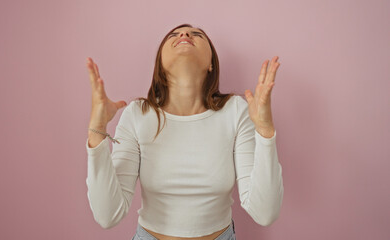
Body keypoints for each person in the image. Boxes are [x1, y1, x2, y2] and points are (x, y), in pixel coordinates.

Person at [85, 23, 284, 240]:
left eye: (197, 34)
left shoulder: (236, 110)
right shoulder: (137, 114)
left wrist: (265, 131)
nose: (185, 34)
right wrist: (98, 132)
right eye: (174, 34)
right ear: (160, 64)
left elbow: (265, 213)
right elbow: (108, 216)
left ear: (211, 64)